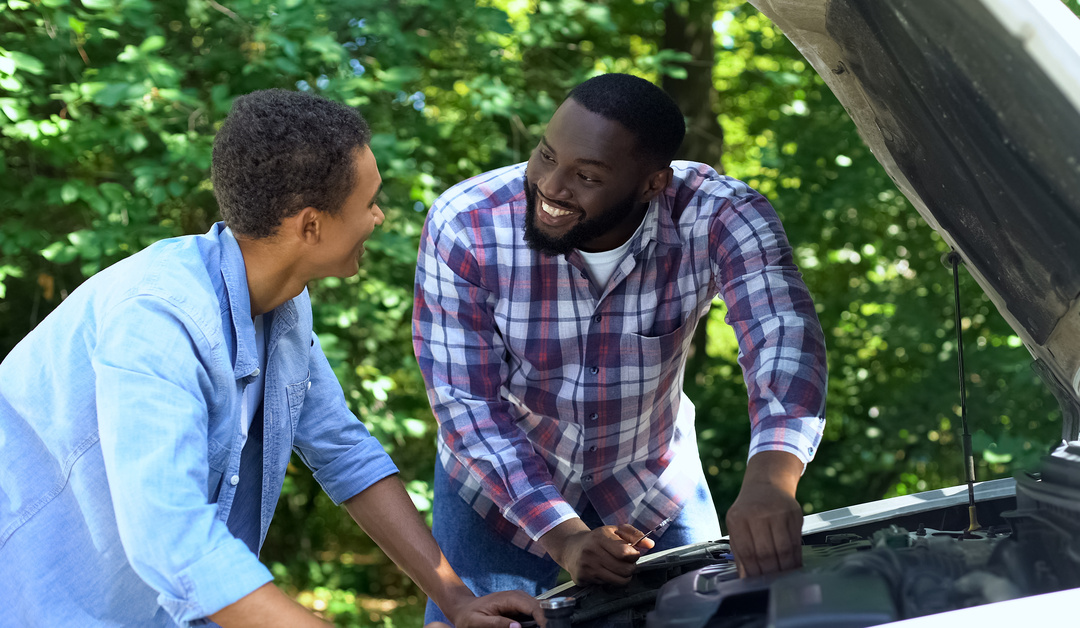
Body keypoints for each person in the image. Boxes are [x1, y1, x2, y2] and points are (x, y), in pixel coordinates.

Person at [0, 89, 540, 628]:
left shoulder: (284, 305)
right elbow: (171, 537)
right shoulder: (159, 318)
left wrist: (457, 600)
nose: (378, 217)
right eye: (369, 201)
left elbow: (344, 451)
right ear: (311, 225)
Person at [414, 73, 827, 623]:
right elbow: (465, 404)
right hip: (498, 487)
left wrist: (772, 479)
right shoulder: (465, 222)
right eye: (545, 155)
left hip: (651, 479)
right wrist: (564, 537)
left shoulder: (722, 216)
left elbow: (783, 336)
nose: (550, 187)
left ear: (652, 184)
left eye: (586, 175)